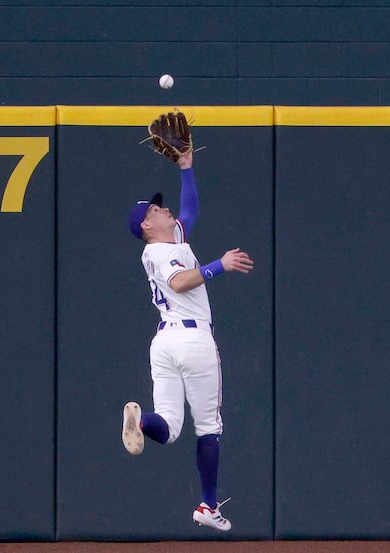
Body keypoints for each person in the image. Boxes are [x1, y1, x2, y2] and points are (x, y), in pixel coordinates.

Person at [122, 150, 254, 532]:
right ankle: (208, 506)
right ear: (147, 225)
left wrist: (186, 167)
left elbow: (190, 213)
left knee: (169, 426)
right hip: (193, 340)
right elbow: (181, 281)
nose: (165, 211)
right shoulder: (160, 252)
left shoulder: (169, 241)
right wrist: (219, 266)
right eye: (157, 210)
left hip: (164, 343)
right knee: (208, 426)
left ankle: (141, 422)